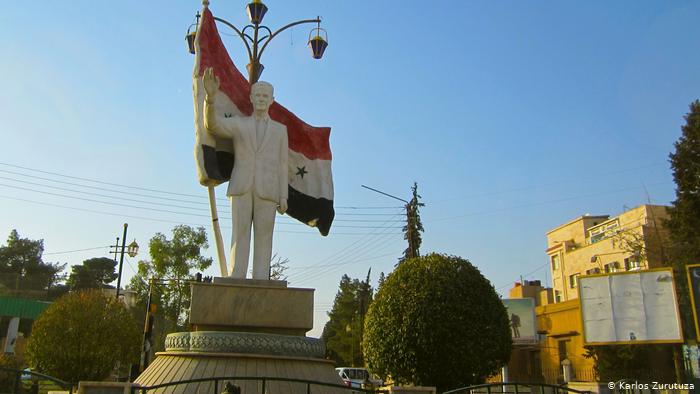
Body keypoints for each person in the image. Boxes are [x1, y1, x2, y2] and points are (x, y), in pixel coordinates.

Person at [202, 67, 288, 280]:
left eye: (265, 96)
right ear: (251, 98)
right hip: (241, 186)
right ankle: (236, 274)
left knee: (264, 236)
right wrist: (210, 99)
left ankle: (261, 277)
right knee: (240, 235)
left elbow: (282, 164)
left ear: (272, 100)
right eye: (257, 95)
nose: (261, 99)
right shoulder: (239, 125)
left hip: (268, 191)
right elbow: (213, 126)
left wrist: (283, 195)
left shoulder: (280, 130)